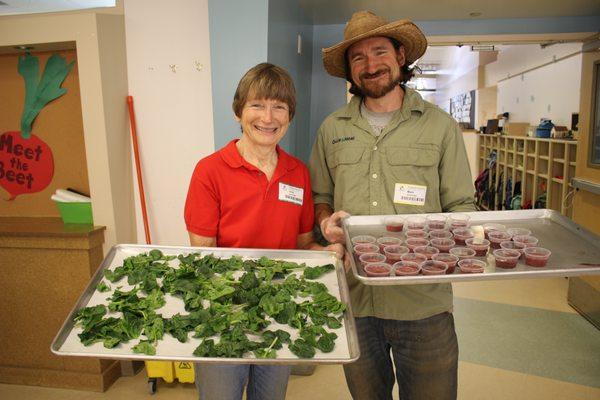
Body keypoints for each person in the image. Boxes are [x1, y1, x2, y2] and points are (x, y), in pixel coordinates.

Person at [308, 11, 476, 400]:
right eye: (358, 58)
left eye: (379, 52)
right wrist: (325, 223)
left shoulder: (439, 126)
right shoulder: (333, 129)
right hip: (354, 300)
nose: (370, 66)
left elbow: (461, 206)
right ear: (350, 70)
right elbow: (321, 199)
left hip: (423, 304)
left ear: (401, 56)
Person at [184, 63, 342, 400]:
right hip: (224, 313)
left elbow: (302, 245)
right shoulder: (209, 171)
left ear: (289, 116)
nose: (267, 117)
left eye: (279, 107)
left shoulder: (297, 172)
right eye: (257, 105)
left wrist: (327, 253)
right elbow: (203, 256)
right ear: (239, 111)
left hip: (278, 310)